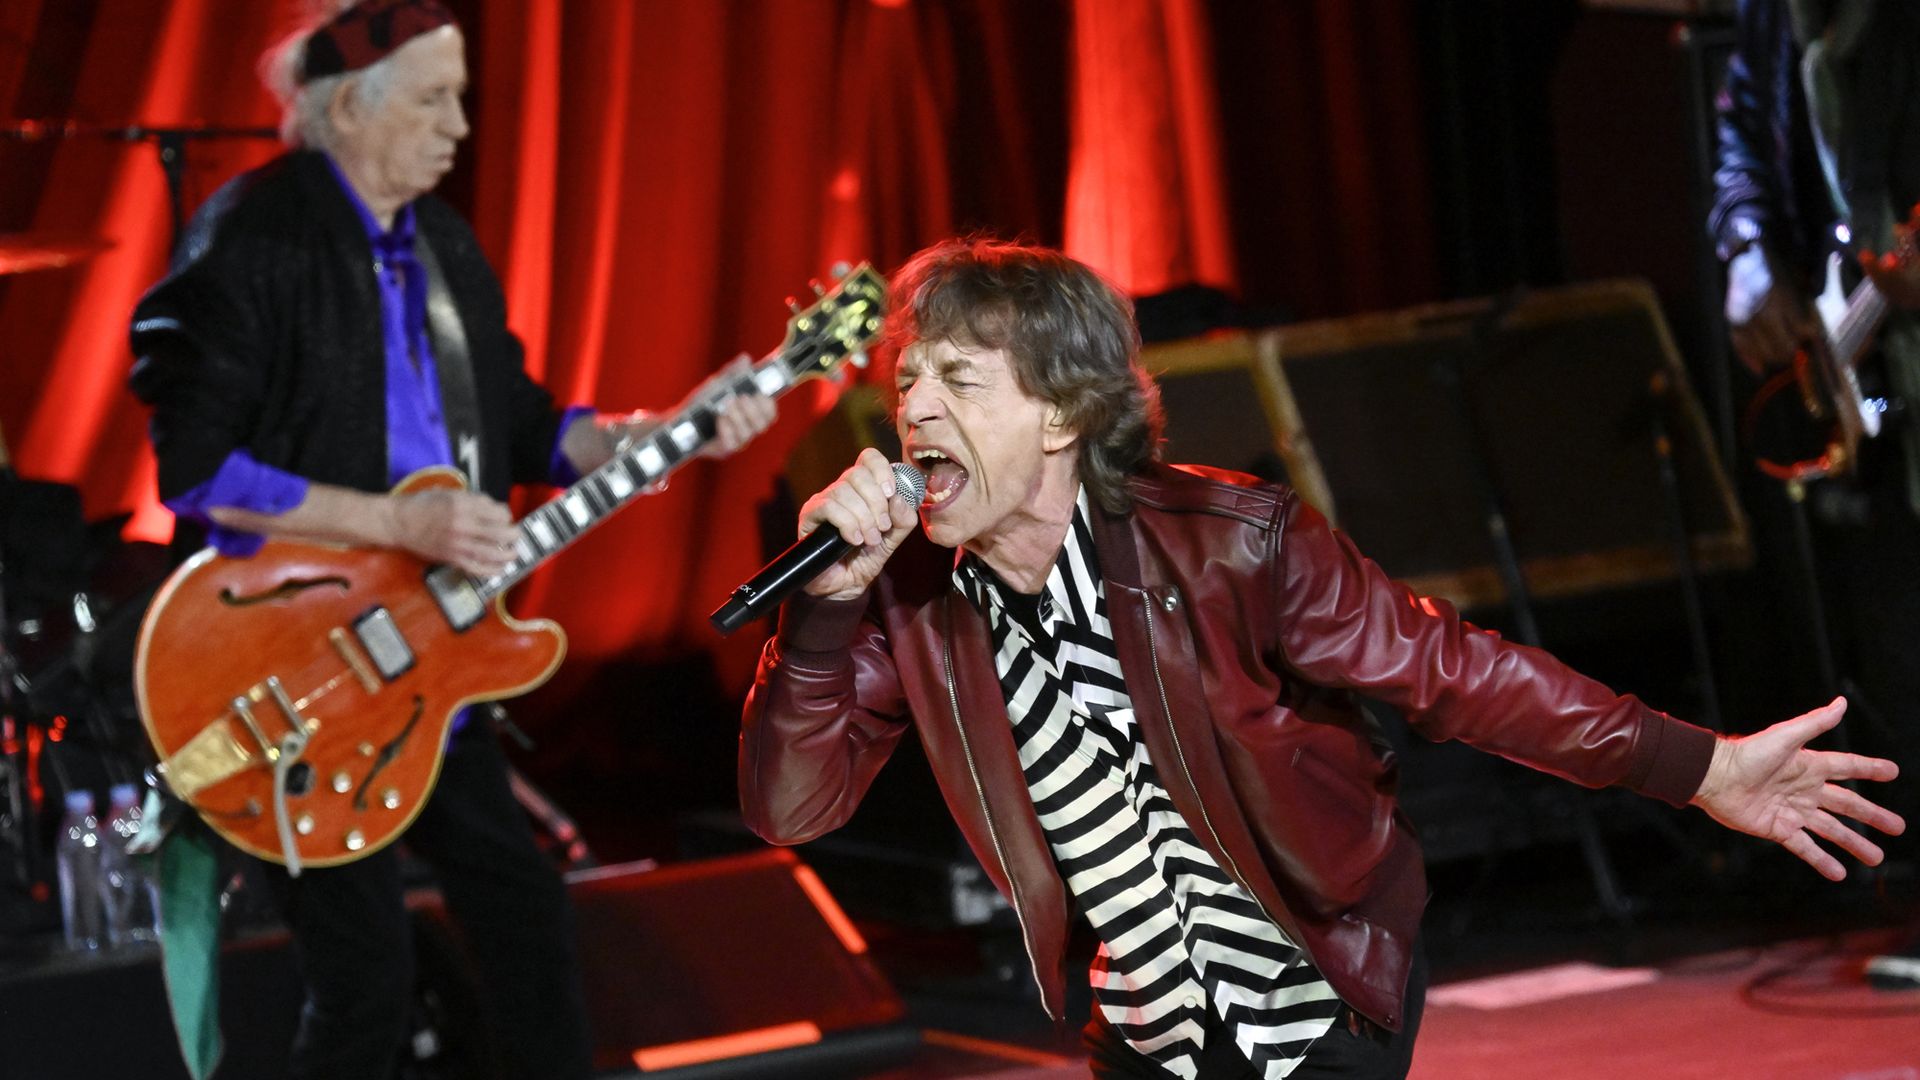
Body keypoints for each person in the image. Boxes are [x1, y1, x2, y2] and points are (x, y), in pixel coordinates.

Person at [737, 238, 1904, 1080]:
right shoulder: (912, 607)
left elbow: (1456, 675)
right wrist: (824, 617)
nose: (917, 413)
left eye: (958, 381)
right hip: (1146, 1031)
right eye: (908, 383)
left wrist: (1698, 768)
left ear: (1059, 417)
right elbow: (792, 810)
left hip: (1320, 992)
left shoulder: (1228, 542)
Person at [126, 2, 777, 1077]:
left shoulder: (443, 246)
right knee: (367, 982)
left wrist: (669, 431)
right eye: (433, 99)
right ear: (347, 109)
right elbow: (196, 469)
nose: (461, 124)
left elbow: (528, 427)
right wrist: (397, 522)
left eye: (461, 95)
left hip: (428, 658)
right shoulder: (256, 233)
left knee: (525, 918)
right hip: (294, 661)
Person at [1711, 0, 1920, 990]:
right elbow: (1744, 125)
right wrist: (1747, 249)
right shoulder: (1772, 12)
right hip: (1875, 354)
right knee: (1899, 629)